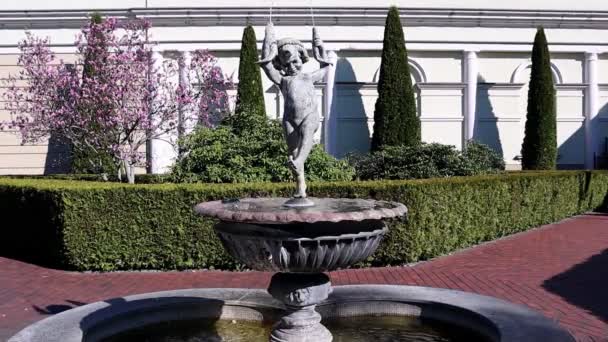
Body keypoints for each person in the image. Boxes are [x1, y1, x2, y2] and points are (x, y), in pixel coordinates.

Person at [258, 22, 332, 200]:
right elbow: (266, 65)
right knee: (293, 153)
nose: (293, 66)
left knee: (306, 137)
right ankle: (301, 187)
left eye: (296, 61)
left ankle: (299, 162)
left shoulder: (308, 77)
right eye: (288, 64)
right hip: (290, 119)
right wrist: (269, 37)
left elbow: (325, 68)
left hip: (309, 115)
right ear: (283, 65)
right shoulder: (283, 80)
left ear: (302, 59)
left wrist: (319, 47)